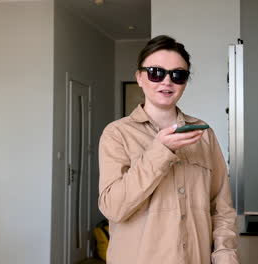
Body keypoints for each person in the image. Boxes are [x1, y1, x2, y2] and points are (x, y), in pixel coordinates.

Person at [98, 35, 240, 264]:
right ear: (139, 78)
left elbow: (222, 210)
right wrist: (160, 151)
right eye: (156, 72)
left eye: (178, 75)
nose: (167, 81)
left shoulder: (204, 135)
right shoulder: (117, 134)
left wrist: (226, 256)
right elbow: (113, 208)